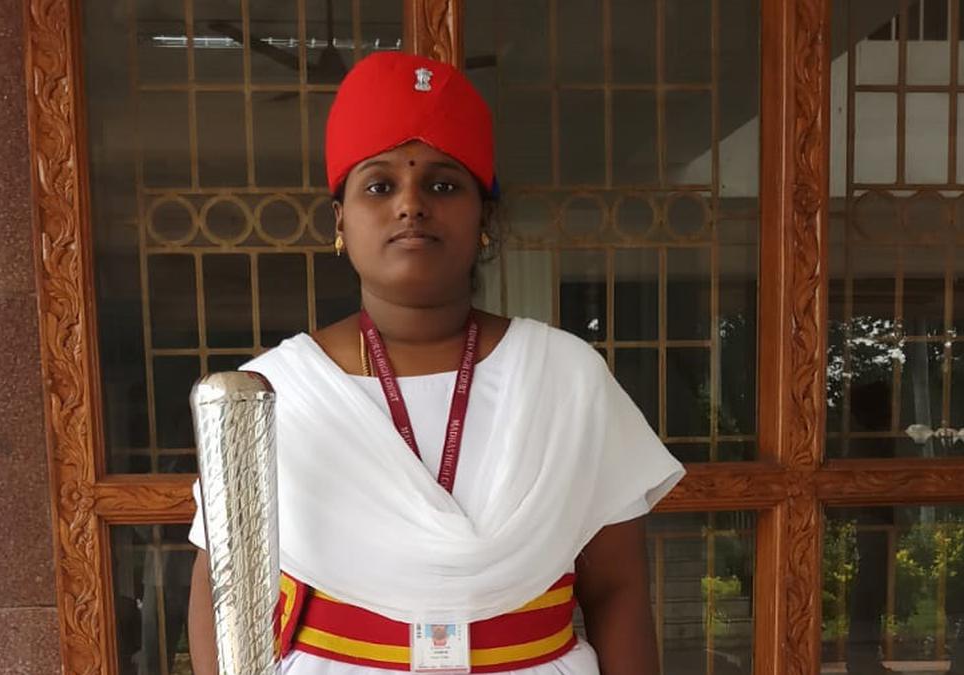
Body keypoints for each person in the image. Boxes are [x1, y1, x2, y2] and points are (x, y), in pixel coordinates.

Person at [187, 51, 684, 675]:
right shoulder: (271, 392)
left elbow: (617, 589)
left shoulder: (567, 377)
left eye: (444, 184)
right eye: (379, 185)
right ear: (340, 220)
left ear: (485, 219)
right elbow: (221, 591)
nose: (411, 205)